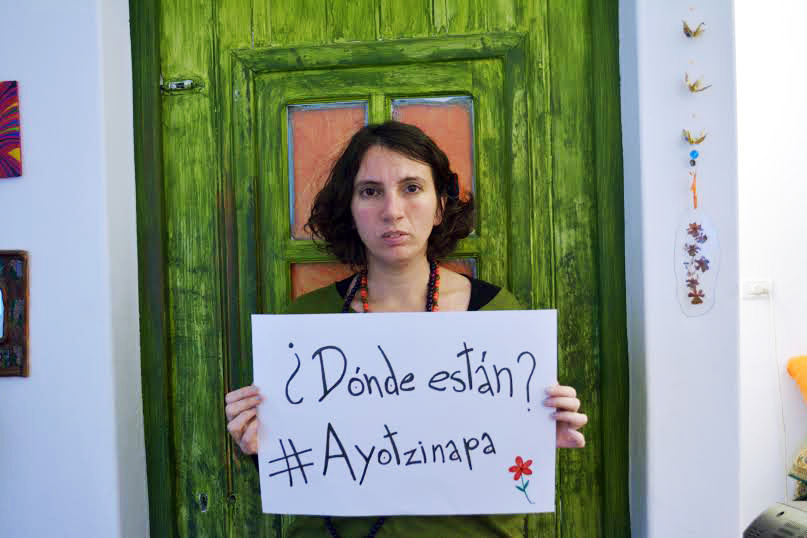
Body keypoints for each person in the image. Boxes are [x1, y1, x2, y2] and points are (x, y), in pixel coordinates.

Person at [225, 121, 587, 537]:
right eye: (370, 191)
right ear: (350, 209)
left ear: (440, 207)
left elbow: (504, 456)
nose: (392, 211)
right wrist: (260, 446)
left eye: (412, 188)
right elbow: (302, 466)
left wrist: (541, 431)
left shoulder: (497, 315)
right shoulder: (304, 325)